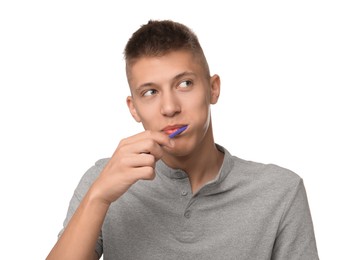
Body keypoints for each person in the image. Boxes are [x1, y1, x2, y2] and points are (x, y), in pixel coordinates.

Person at [47, 20, 319, 260]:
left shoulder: (281, 191)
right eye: (151, 92)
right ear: (134, 108)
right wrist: (98, 197)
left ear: (213, 89)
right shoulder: (103, 180)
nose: (169, 107)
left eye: (184, 84)